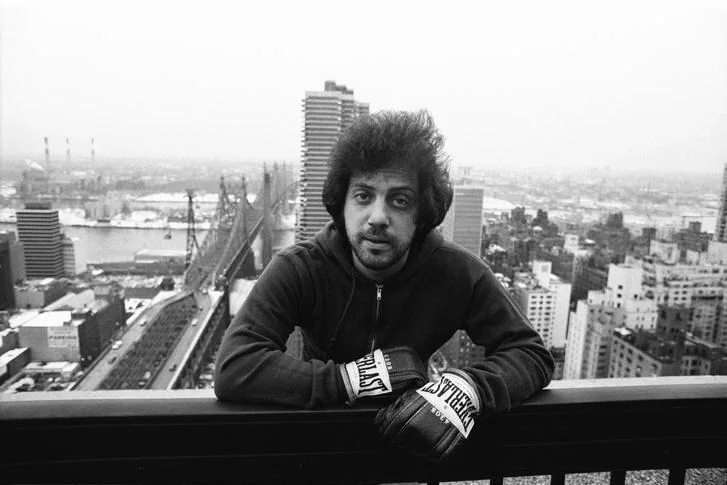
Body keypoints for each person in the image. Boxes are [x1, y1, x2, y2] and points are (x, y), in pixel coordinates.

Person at [214, 110, 554, 462]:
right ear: (341, 204)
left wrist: (467, 389)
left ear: (422, 213)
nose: (378, 217)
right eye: (363, 196)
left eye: (400, 200)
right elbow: (235, 366)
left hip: (409, 452)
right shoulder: (300, 268)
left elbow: (530, 353)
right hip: (319, 450)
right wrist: (352, 380)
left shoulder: (458, 273)